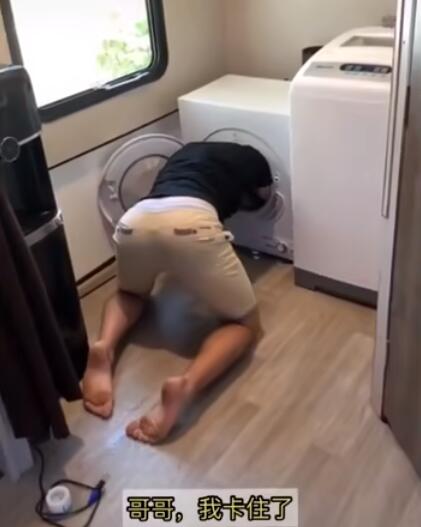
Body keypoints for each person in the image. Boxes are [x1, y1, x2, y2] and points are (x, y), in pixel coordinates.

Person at [82, 142, 273, 444]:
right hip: (192, 223)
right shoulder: (253, 157)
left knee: (130, 294)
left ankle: (104, 346)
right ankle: (186, 385)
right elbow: (262, 195)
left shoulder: (184, 154)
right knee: (245, 325)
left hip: (136, 220)